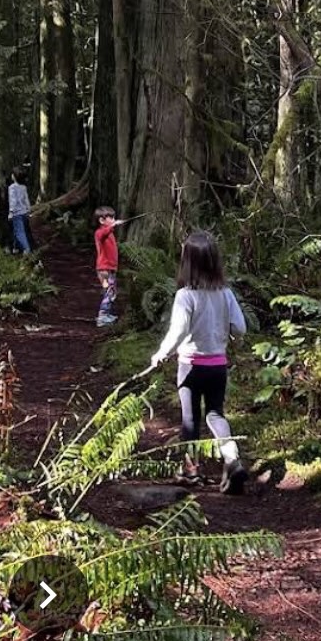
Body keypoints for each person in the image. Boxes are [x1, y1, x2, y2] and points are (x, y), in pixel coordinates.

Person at [143, 230, 248, 493]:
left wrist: (161, 354)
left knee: (190, 419)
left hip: (190, 366)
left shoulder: (185, 295)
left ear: (187, 261)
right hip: (217, 366)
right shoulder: (225, 293)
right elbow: (240, 327)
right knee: (215, 413)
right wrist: (227, 335)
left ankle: (191, 471)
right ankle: (231, 456)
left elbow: (177, 331)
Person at [94, 206, 129, 326]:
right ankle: (102, 317)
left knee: (111, 292)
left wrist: (112, 225)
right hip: (104, 269)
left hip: (110, 268)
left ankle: (107, 314)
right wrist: (113, 225)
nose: (114, 219)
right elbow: (103, 233)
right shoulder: (100, 233)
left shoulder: (109, 233)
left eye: (114, 217)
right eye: (111, 218)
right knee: (109, 292)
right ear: (102, 220)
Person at [6, 169, 33, 254]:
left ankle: (26, 248)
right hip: (24, 212)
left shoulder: (12, 187)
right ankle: (16, 248)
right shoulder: (23, 187)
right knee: (16, 230)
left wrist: (11, 212)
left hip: (16, 213)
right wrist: (28, 209)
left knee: (19, 232)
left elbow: (13, 200)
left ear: (14, 177)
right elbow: (26, 199)